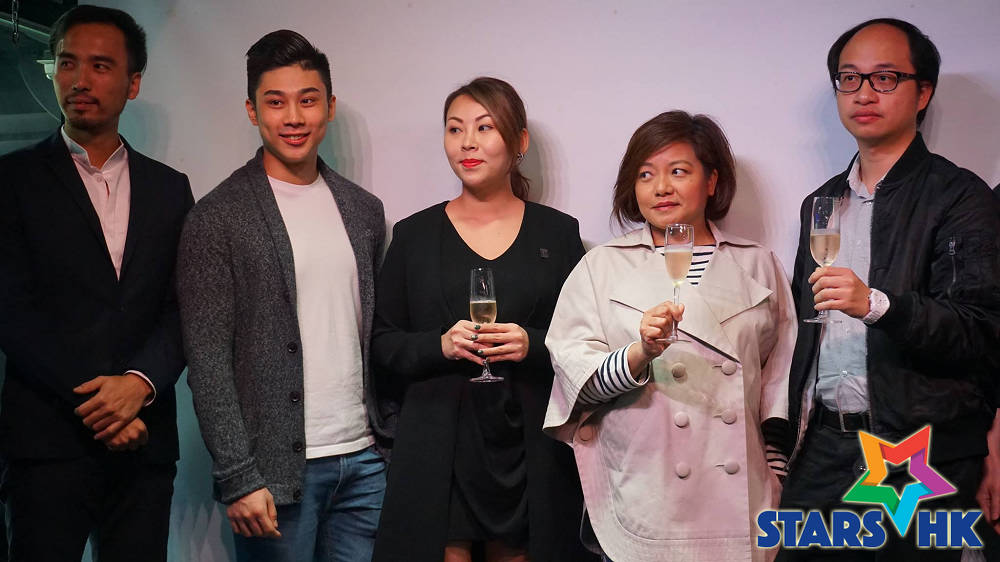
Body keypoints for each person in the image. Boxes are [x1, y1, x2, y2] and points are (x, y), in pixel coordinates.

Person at [779, 18, 1000, 561]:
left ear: (923, 92)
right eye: (849, 78)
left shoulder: (960, 196)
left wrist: (878, 305)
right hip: (823, 445)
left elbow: (979, 330)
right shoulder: (821, 203)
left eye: (884, 78)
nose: (863, 94)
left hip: (915, 451)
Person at [176, 30, 391, 562]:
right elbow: (207, 359)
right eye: (275, 102)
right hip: (271, 474)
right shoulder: (217, 217)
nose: (293, 117)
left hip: (364, 462)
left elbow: (376, 332)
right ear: (252, 111)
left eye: (307, 100)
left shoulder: (363, 210)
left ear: (329, 107)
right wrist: (237, 476)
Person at [543, 110, 795, 562]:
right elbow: (576, 379)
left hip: (740, 500)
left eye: (678, 171)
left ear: (711, 181)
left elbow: (781, 376)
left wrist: (775, 471)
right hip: (646, 490)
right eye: (645, 175)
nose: (661, 187)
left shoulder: (757, 263)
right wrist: (639, 353)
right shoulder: (601, 267)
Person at [371, 77, 595, 562]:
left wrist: (532, 344)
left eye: (484, 127)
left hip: (530, 445)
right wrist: (439, 345)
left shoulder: (557, 234)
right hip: (438, 444)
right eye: (455, 129)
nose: (467, 143)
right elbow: (382, 344)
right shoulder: (413, 235)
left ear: (519, 141)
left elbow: (588, 344)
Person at [0, 5, 193, 561]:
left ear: (133, 83)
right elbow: (11, 310)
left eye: (101, 66)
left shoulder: (170, 188)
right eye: (67, 63)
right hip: (46, 444)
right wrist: (103, 404)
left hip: (144, 444)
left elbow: (185, 307)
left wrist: (139, 384)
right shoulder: (12, 180)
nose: (80, 80)